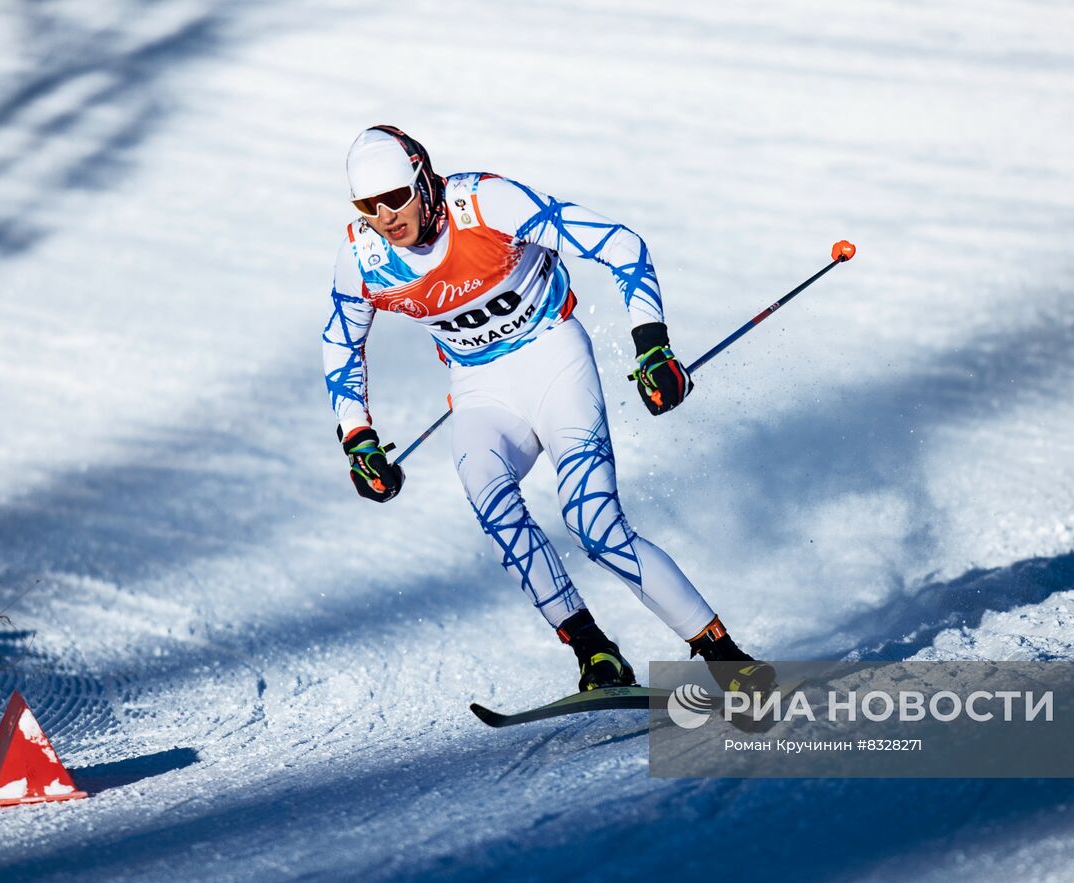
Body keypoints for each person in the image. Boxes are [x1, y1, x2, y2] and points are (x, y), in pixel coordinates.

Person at [322, 125, 773, 695]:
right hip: (479, 388)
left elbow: (620, 243)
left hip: (553, 355)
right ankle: (595, 653)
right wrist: (358, 439)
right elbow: (340, 345)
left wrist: (652, 344)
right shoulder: (361, 255)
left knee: (593, 523)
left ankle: (726, 658)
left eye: (396, 197)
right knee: (492, 505)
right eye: (368, 205)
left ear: (424, 180)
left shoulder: (485, 203)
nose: (385, 216)